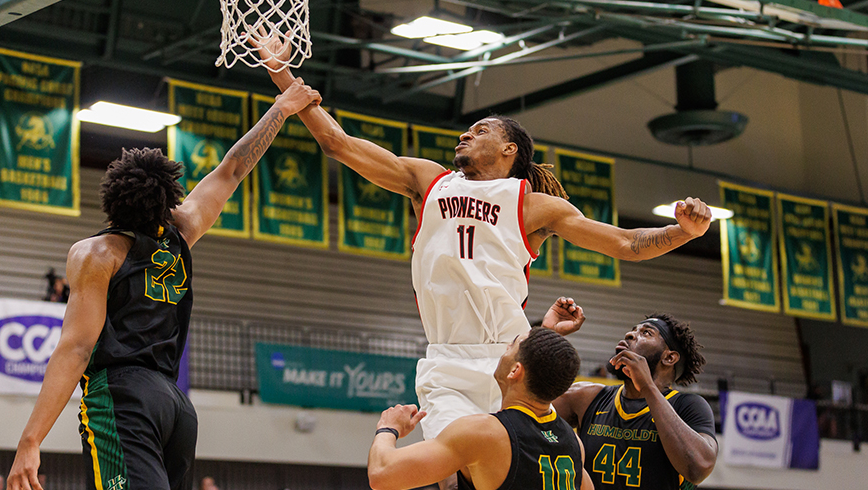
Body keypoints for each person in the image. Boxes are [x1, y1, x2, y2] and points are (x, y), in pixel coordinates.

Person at [256, 34, 713, 446]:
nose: (465, 133)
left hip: (513, 359)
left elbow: (625, 244)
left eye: (481, 131)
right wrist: (282, 74)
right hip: (445, 361)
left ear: (510, 149)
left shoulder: (531, 204)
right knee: (455, 470)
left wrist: (683, 232)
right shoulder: (427, 180)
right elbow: (339, 144)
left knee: (516, 472)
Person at [5, 79, 322, 490]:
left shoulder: (96, 254)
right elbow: (233, 168)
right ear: (166, 201)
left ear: (112, 199)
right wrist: (281, 108)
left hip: (123, 398)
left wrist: (31, 440)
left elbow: (77, 347)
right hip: (174, 408)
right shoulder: (182, 232)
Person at [369, 326, 593, 490]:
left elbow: (381, 475)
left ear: (515, 371)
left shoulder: (484, 433)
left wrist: (388, 428)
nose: (504, 349)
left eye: (511, 345)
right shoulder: (574, 445)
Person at [552, 314, 717, 490]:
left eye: (646, 333)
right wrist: (549, 335)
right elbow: (525, 402)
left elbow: (699, 468)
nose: (629, 335)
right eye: (632, 330)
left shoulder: (687, 405)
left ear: (669, 358)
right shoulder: (587, 396)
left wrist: (648, 388)